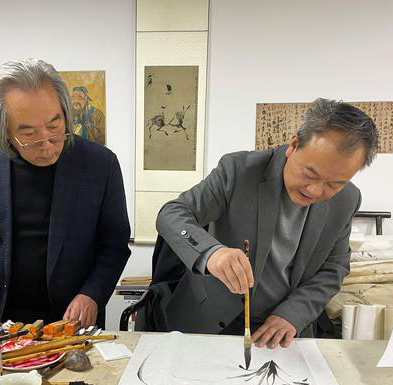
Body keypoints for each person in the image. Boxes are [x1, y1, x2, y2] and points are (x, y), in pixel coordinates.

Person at [156, 98, 378, 348]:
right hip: (206, 319)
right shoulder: (239, 171)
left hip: (281, 329)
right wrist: (212, 254)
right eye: (309, 173)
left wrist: (293, 313)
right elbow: (172, 213)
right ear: (293, 145)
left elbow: (334, 267)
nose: (315, 190)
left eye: (335, 184)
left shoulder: (347, 199)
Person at [0, 59, 130, 328]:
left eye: (55, 127)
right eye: (29, 134)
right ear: (3, 129)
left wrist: (91, 295)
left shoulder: (100, 164)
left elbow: (114, 243)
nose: (46, 145)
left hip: (71, 319)